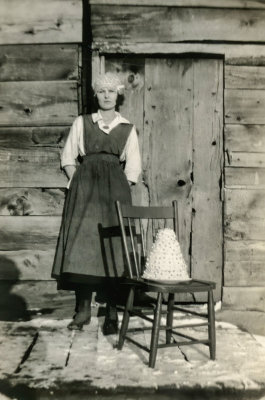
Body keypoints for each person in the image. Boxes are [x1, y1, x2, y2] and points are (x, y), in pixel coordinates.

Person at [51, 72, 141, 334]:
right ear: (95, 94)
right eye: (101, 91)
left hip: (114, 194)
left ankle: (111, 311)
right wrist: (79, 182)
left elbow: (133, 169)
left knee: (112, 249)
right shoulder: (82, 123)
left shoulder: (127, 128)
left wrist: (118, 189)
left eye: (111, 92)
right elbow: (68, 159)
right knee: (83, 246)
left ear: (118, 95)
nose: (106, 96)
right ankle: (82, 311)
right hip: (85, 194)